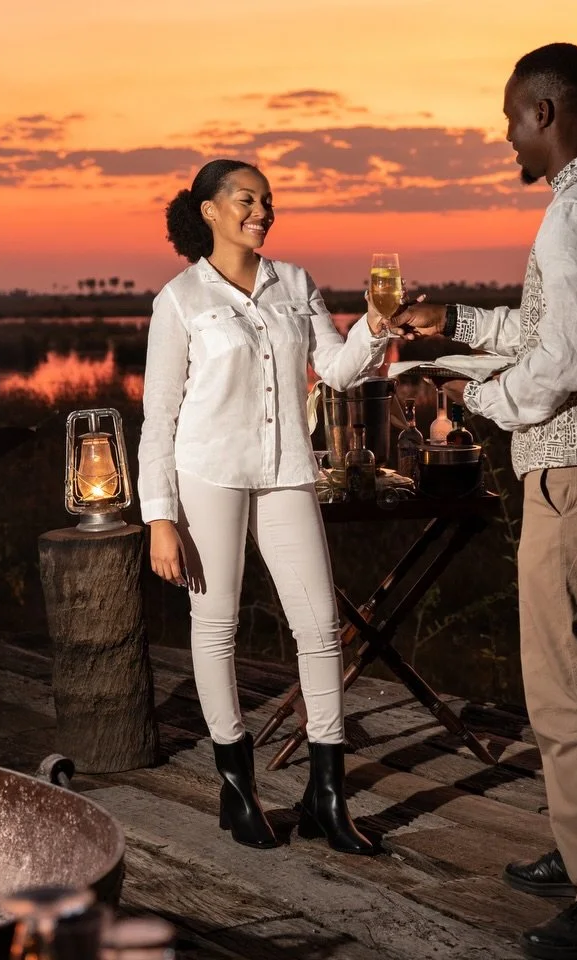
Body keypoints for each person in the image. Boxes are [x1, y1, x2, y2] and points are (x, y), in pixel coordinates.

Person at [396, 43, 577, 959]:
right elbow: (550, 327)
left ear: (547, 112)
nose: (503, 131)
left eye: (511, 114)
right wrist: (460, 326)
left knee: (568, 687)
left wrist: (475, 397)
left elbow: (564, 364)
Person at [137, 158, 392, 855]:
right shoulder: (180, 299)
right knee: (216, 624)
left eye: (268, 200)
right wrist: (159, 515)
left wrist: (375, 325)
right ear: (209, 211)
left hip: (286, 473)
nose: (262, 210)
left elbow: (338, 369)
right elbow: (158, 416)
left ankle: (326, 794)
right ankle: (237, 785)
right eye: (246, 199)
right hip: (208, 474)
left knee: (319, 627)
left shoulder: (295, 284)